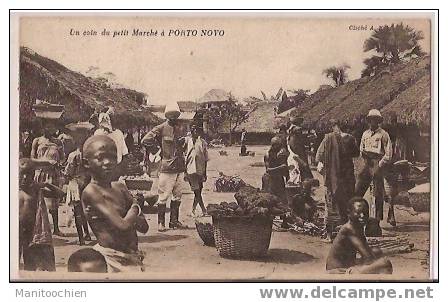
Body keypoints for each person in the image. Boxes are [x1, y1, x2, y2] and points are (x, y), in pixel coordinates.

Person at [81, 135, 149, 272]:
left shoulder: (120, 187)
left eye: (112, 157)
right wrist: (136, 206)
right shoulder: (91, 191)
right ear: (86, 163)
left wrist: (131, 214)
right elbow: (122, 225)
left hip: (133, 256)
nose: (108, 162)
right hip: (111, 259)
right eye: (100, 158)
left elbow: (144, 227)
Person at [141, 102, 186, 232]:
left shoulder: (180, 128)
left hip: (179, 167)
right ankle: (161, 223)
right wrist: (157, 150)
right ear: (167, 115)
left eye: (175, 115)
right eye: (171, 115)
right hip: (167, 167)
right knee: (163, 196)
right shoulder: (161, 128)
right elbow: (146, 140)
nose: (173, 117)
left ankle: (174, 221)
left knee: (177, 195)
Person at [326, 197, 393, 274]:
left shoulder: (357, 227)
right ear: (349, 213)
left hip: (344, 268)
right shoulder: (349, 229)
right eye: (358, 213)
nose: (362, 216)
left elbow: (367, 253)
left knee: (377, 252)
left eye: (365, 213)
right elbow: (368, 257)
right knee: (385, 263)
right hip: (336, 271)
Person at [19, 158, 64, 271]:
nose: (25, 178)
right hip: (14, 231)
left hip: (32, 232)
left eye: (28, 175)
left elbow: (60, 193)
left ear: (33, 176)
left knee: (30, 264)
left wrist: (46, 184)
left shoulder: (36, 190)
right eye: (22, 174)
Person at [355, 109, 392, 222]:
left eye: (375, 120)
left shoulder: (383, 134)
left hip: (377, 162)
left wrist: (379, 165)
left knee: (377, 193)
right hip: (366, 162)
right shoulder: (365, 134)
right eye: (371, 120)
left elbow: (388, 154)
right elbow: (361, 148)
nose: (373, 122)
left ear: (378, 121)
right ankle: (358, 215)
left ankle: (376, 219)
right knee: (358, 190)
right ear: (369, 121)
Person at [30, 119, 66, 236]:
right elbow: (32, 159)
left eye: (51, 127)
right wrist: (45, 161)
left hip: (53, 174)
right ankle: (37, 229)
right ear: (42, 128)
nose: (49, 130)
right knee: (38, 201)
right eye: (47, 127)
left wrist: (58, 163)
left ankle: (56, 228)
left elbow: (62, 158)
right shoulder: (37, 141)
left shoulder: (58, 142)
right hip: (40, 173)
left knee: (54, 202)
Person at [64, 122, 93, 245]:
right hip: (87, 182)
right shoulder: (90, 154)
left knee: (77, 211)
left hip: (76, 183)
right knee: (86, 210)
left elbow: (68, 172)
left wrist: (65, 175)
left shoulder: (73, 155)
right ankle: (87, 234)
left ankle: (81, 238)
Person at [185, 124, 209, 217]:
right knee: (197, 191)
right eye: (192, 130)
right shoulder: (187, 141)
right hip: (190, 169)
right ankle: (204, 210)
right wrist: (184, 171)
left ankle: (193, 210)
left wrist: (205, 173)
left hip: (200, 169)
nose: (194, 131)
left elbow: (206, 158)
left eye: (196, 130)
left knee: (199, 190)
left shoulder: (202, 142)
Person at [287, 115, 313, 181]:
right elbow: (303, 139)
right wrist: (308, 138)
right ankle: (305, 178)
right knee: (302, 163)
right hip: (298, 148)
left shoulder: (290, 129)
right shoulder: (298, 129)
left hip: (293, 147)